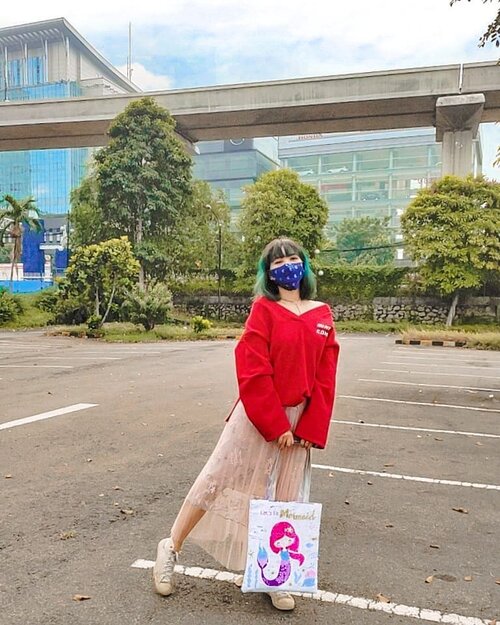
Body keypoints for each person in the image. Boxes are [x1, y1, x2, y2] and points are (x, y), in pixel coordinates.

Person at [153, 237, 340, 611]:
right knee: (216, 480)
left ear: (304, 264)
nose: (287, 265)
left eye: (292, 258)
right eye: (278, 262)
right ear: (268, 274)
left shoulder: (322, 315)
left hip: (300, 423)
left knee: (284, 498)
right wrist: (275, 424)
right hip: (258, 416)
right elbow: (253, 368)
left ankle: (275, 576)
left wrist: (308, 428)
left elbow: (325, 375)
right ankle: (170, 547)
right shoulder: (264, 311)